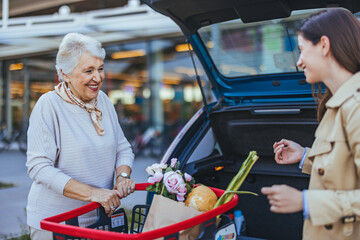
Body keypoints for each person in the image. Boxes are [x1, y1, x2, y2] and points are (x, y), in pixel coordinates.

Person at [261, 8, 360, 239]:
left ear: (324, 45)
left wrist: (305, 201)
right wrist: (305, 156)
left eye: (302, 50)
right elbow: (346, 171)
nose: (299, 61)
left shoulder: (356, 106)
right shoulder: (339, 103)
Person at [26, 33, 135, 240]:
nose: (98, 77)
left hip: (99, 220)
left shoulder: (103, 101)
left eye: (100, 69)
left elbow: (123, 148)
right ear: (65, 74)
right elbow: (39, 168)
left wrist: (123, 177)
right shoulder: (49, 105)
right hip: (57, 223)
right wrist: (93, 193)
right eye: (89, 71)